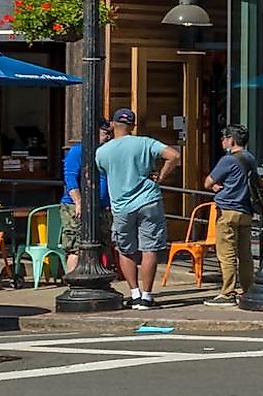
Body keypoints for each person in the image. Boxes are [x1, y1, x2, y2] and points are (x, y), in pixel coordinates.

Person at [94, 108, 179, 309]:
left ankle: (134, 293)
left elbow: (102, 170)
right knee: (149, 249)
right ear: (132, 126)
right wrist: (162, 176)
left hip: (121, 205)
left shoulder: (102, 151)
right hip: (149, 200)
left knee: (125, 250)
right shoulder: (145, 143)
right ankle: (147, 296)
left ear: (113, 124)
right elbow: (174, 155)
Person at [203, 125, 262, 305]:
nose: (222, 141)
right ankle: (247, 289)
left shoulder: (228, 160)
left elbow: (208, 181)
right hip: (245, 211)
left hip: (227, 210)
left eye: (224, 138)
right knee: (245, 254)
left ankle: (227, 292)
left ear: (232, 140)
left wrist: (214, 186)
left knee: (226, 254)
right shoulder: (250, 158)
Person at [61, 120, 115, 275]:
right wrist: (78, 201)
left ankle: (99, 280)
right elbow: (70, 177)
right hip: (76, 207)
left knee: (103, 246)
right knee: (76, 247)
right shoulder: (78, 151)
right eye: (105, 133)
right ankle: (73, 283)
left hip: (102, 207)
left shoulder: (106, 152)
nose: (109, 137)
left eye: (110, 133)